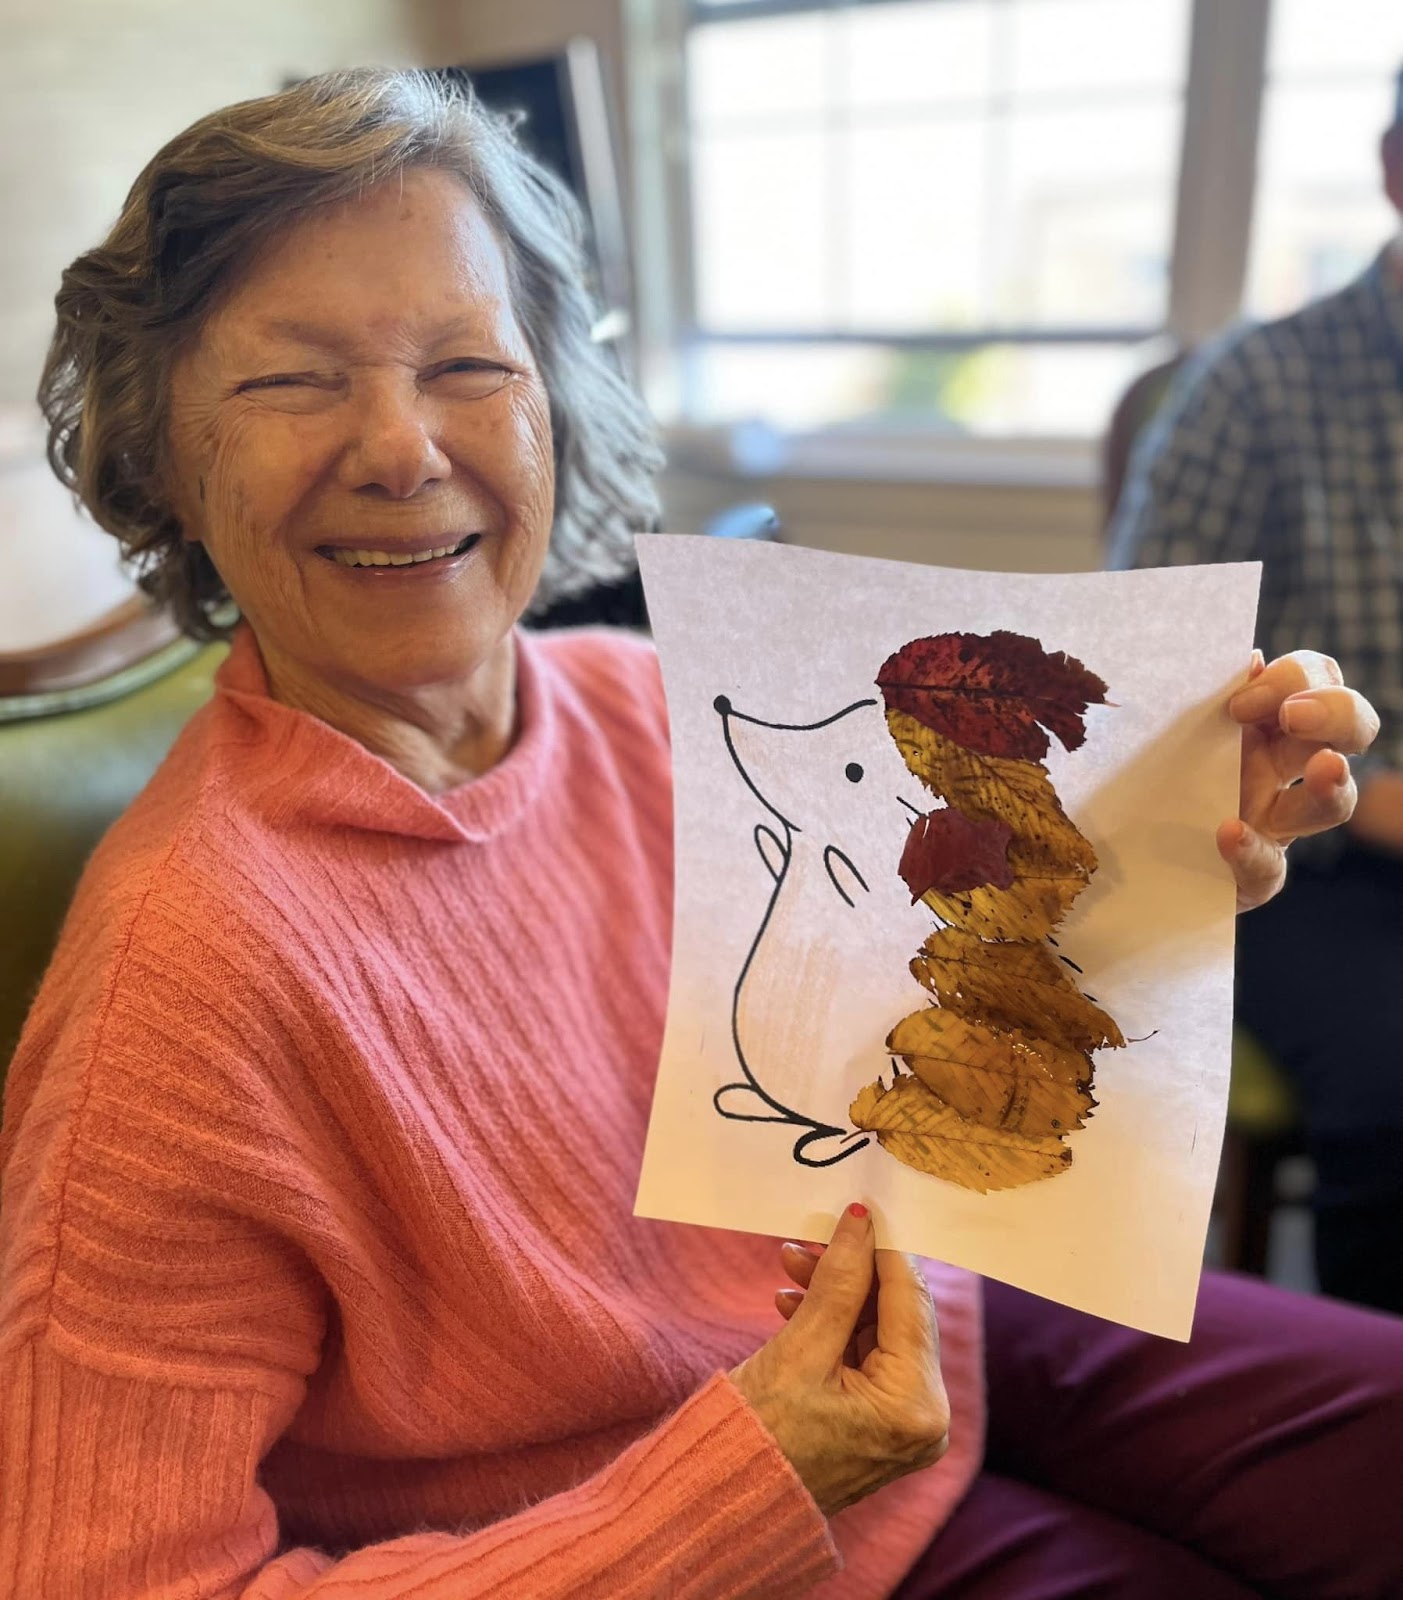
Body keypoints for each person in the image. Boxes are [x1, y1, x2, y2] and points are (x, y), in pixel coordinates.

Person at [0, 69, 1398, 1600]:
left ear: (553, 404)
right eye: (289, 381)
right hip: (713, 1522)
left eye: (468, 361)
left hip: (933, 1308)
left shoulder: (640, 700)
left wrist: (1181, 845)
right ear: (157, 455)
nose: (401, 447)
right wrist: (747, 1486)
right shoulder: (180, 977)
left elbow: (905, 991)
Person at [1108, 71, 1403, 1318]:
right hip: (1300, 862)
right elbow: (1136, 692)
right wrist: (1370, 802)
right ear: (1393, 167)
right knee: (1393, 1089)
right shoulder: (1253, 389)